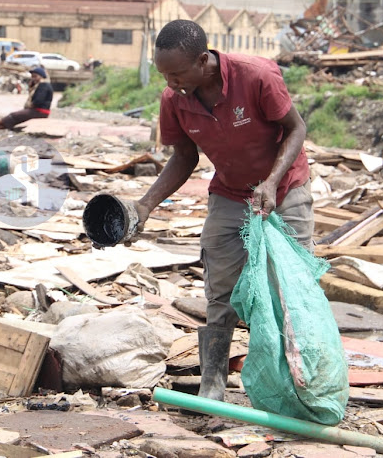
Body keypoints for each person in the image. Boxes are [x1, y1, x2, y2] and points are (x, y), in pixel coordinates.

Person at [132, 20, 314, 402]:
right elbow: (184, 157)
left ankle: (298, 384)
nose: (170, 82)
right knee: (221, 292)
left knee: (290, 288)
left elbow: (296, 129)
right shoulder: (174, 99)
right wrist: (145, 205)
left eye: (177, 73)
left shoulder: (257, 76)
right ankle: (212, 383)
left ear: (203, 61)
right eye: (164, 73)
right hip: (230, 194)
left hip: (285, 188)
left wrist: (270, 182)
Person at [0, 66, 53, 135]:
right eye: (32, 77)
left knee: (13, 116)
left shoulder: (44, 85)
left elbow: (38, 101)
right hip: (38, 110)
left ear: (41, 77)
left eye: (35, 77)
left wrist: (30, 105)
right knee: (14, 120)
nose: (33, 79)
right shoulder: (38, 85)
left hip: (40, 111)